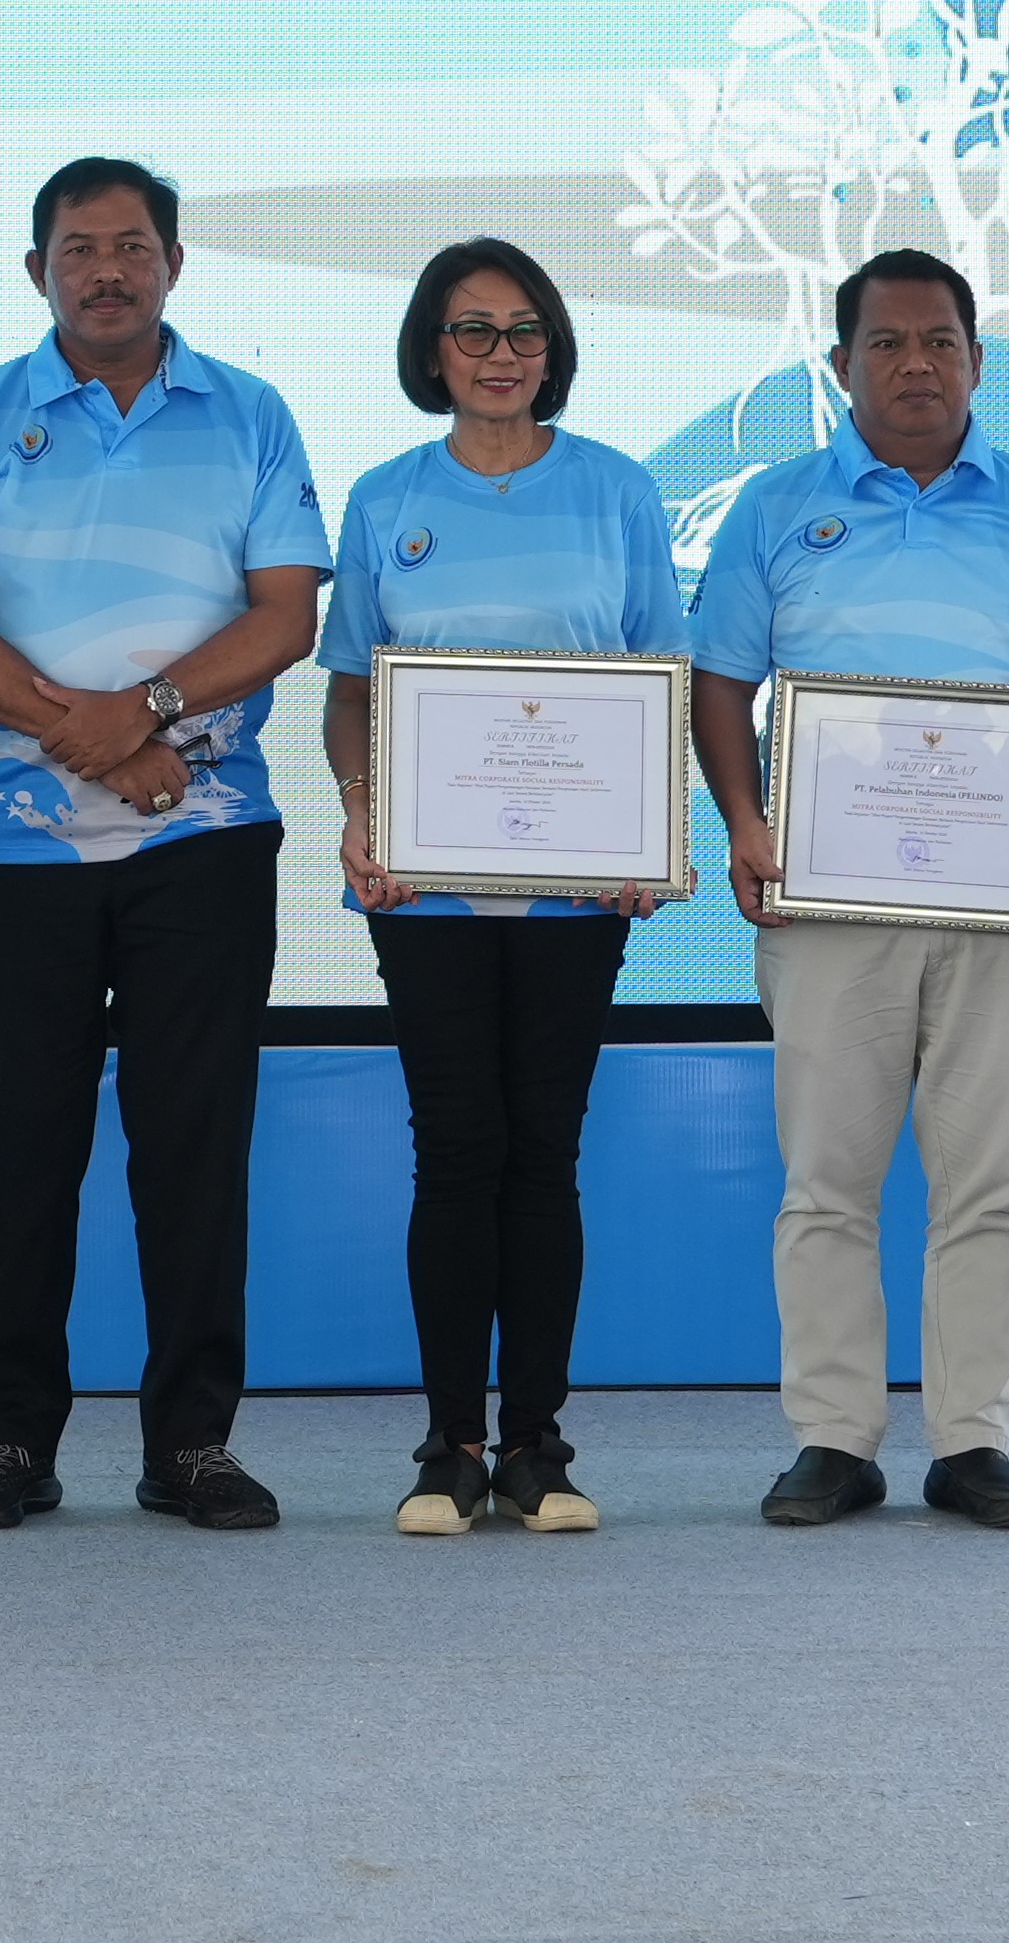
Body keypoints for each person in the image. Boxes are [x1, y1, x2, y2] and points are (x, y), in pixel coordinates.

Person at [0, 155, 328, 1534]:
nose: (105, 271)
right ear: (38, 273)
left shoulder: (250, 417)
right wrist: (88, 738)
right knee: (21, 1153)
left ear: (173, 265)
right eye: (77, 249)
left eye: (131, 247)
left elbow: (285, 617)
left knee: (190, 1149)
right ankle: (10, 1443)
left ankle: (191, 1443)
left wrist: (143, 715)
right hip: (18, 852)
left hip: (203, 845)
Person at [688, 245, 1009, 1535]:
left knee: (983, 1186)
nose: (914, 363)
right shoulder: (773, 507)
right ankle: (830, 1437)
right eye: (883, 342)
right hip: (828, 905)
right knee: (824, 1182)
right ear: (838, 366)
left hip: (1001, 903)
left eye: (938, 339)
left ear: (976, 359)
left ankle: (971, 1440)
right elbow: (720, 682)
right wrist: (744, 820)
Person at [314, 236, 685, 1537]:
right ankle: (445, 1447)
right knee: (454, 1150)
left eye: (524, 328)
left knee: (545, 1155)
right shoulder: (382, 499)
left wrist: (651, 836)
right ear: (431, 351)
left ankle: (536, 1442)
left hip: (578, 895)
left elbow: (659, 681)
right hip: (426, 893)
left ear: (554, 349)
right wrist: (364, 811)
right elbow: (353, 691)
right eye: (472, 330)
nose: (500, 352)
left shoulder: (617, 494)